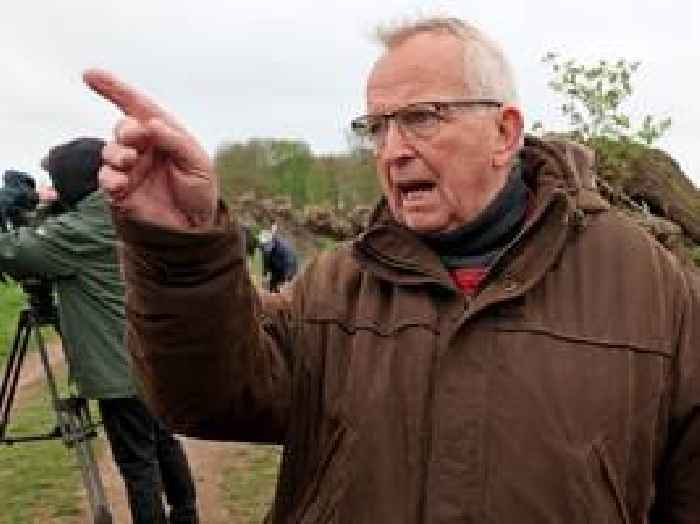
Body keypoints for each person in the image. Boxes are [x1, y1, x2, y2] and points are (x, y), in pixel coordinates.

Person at [83, 16, 699, 523]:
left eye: (422, 117)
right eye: (377, 127)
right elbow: (205, 398)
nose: (393, 150)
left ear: (504, 132)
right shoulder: (336, 286)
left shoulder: (649, 286)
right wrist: (180, 248)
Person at [0, 138, 200, 524]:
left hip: (118, 370)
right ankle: (186, 514)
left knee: (137, 463)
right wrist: (44, 207)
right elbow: (60, 229)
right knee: (162, 440)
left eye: (56, 180)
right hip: (153, 358)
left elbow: (13, 252)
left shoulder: (79, 231)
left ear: (71, 183)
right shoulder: (123, 211)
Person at [258, 225, 298, 292]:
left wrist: (286, 281)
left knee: (281, 290)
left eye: (266, 247)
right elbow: (266, 261)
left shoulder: (284, 249)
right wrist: (265, 274)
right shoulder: (265, 249)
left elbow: (290, 265)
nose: (265, 250)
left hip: (287, 269)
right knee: (271, 287)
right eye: (263, 247)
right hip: (276, 268)